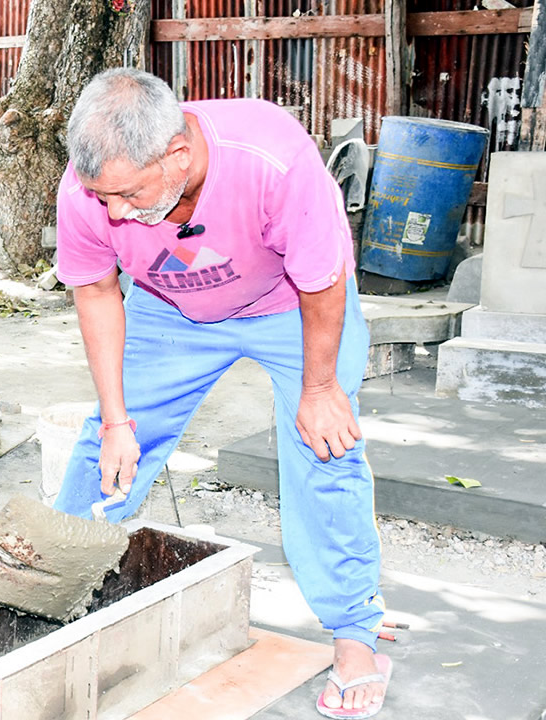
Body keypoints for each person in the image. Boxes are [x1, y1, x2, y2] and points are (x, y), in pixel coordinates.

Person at [54, 68, 389, 719]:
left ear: (178, 155)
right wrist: (118, 421)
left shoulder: (271, 158)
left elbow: (323, 279)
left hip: (291, 304)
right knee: (108, 446)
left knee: (324, 447)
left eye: (127, 194)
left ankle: (355, 633)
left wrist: (320, 387)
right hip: (170, 308)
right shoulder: (87, 189)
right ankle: (50, 592)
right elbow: (95, 290)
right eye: (102, 196)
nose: (114, 212)